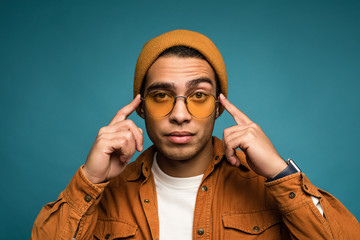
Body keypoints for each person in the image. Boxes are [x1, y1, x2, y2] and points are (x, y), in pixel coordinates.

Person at [31, 29, 359, 240]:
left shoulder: (265, 184)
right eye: (161, 96)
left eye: (199, 96)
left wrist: (278, 171)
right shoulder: (104, 192)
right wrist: (90, 180)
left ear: (219, 107)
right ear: (140, 108)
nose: (179, 114)